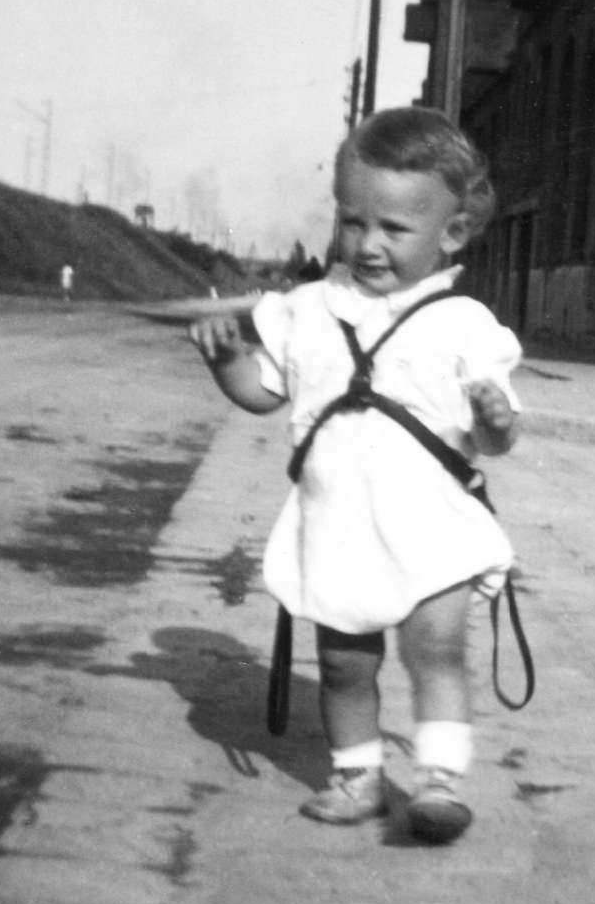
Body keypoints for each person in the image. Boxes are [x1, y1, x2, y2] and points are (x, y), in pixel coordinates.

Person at [189, 107, 521, 844]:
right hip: (336, 525)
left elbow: (494, 441)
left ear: (452, 233)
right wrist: (226, 361)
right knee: (343, 666)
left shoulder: (463, 323)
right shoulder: (302, 310)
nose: (368, 245)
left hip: (432, 527)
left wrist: (496, 419)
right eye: (352, 222)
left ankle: (437, 781)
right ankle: (357, 776)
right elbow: (262, 394)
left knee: (435, 648)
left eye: (394, 230)